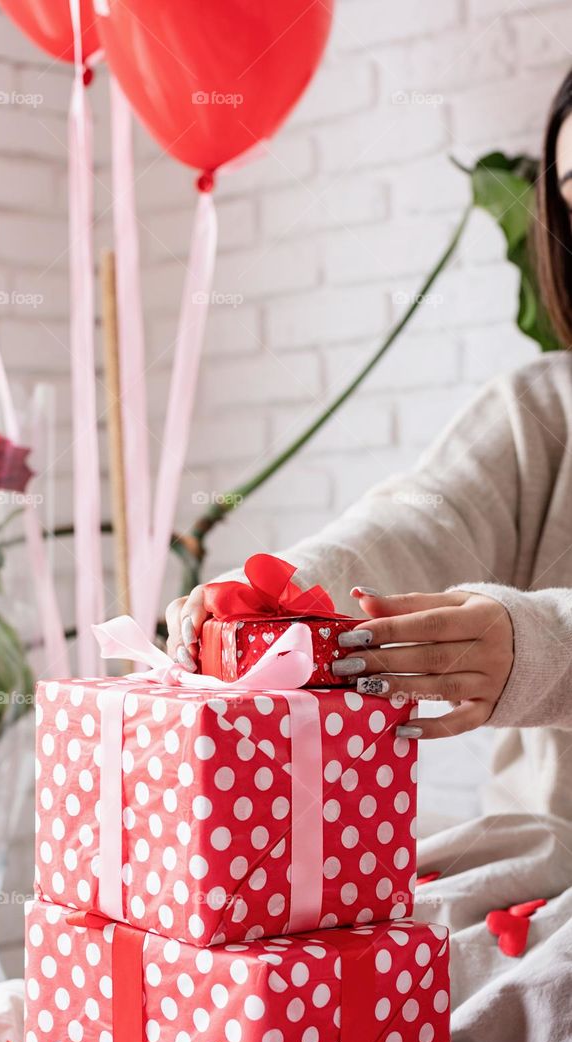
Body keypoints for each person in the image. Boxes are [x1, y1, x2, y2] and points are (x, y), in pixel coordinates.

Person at [166, 66, 572, 832]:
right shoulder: (544, 405)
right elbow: (426, 524)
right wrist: (289, 591)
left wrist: (542, 647)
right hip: (543, 860)